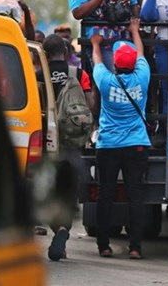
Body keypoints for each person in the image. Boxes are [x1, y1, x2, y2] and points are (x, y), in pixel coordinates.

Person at [88, 18, 150, 259]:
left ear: (115, 63)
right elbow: (142, 51)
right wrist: (135, 31)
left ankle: (103, 245)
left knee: (106, 195)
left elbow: (96, 61)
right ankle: (135, 247)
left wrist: (95, 44)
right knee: (136, 197)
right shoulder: (142, 78)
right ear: (134, 64)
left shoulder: (106, 81)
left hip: (108, 145)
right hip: (136, 145)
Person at [42, 33, 94, 261]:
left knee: (50, 189)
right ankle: (65, 228)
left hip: (48, 141)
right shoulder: (79, 74)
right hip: (73, 142)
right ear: (65, 52)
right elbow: (91, 105)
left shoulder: (38, 75)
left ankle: (57, 228)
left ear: (44, 53)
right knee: (69, 187)